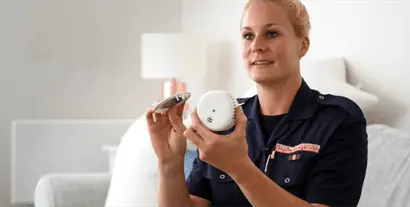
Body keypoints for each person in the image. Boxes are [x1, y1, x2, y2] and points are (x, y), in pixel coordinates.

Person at [145, 0, 368, 206]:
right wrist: (169, 164)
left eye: (271, 33)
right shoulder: (224, 120)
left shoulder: (338, 120)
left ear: (302, 46)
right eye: (248, 36)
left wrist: (238, 168)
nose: (257, 46)